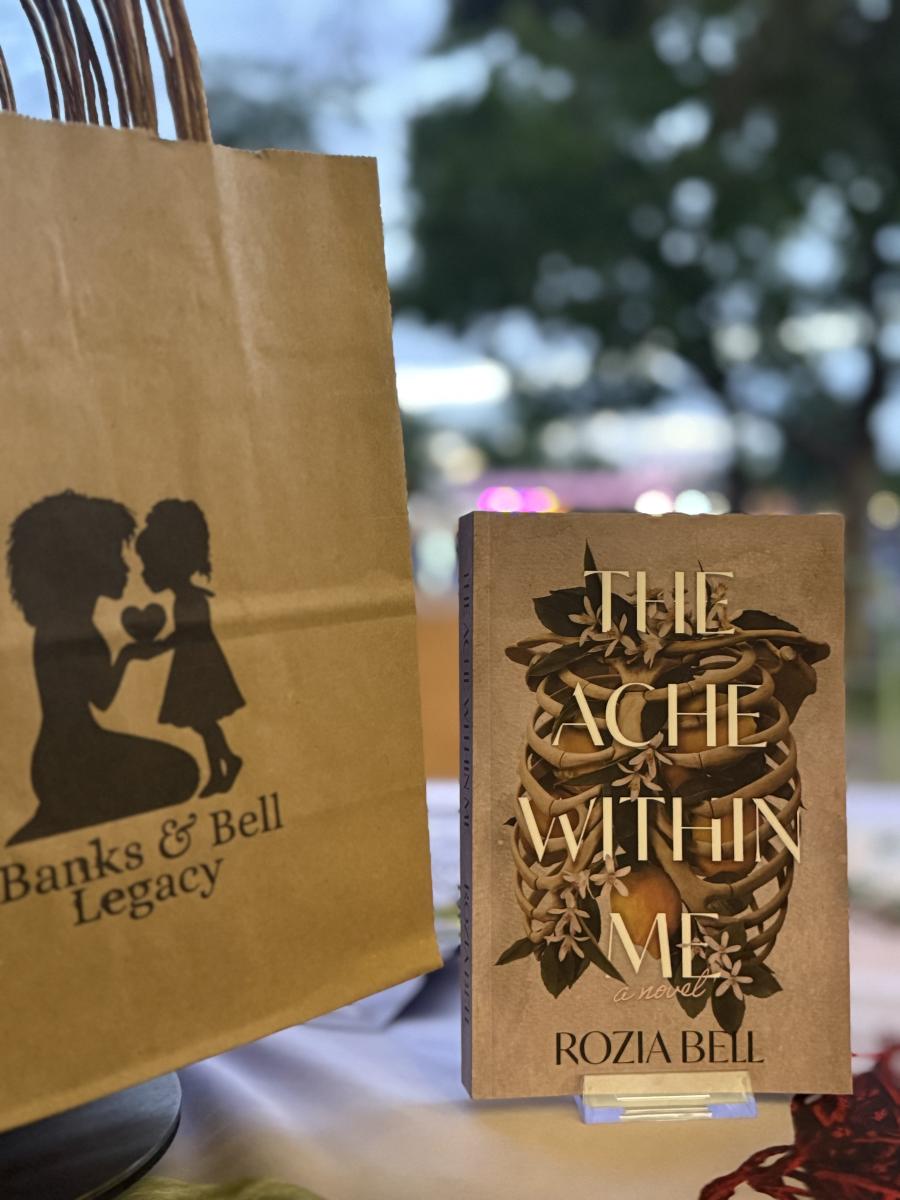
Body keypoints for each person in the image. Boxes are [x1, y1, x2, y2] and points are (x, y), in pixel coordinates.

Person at [6, 491, 200, 845]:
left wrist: (128, 654)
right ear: (83, 563)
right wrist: (128, 656)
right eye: (114, 554)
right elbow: (103, 698)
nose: (126, 568)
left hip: (58, 754)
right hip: (72, 755)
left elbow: (98, 697)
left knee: (179, 771)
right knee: (181, 772)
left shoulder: (62, 625)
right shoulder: (70, 629)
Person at [136, 499, 245, 798]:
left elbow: (191, 633)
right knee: (203, 722)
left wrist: (158, 646)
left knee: (203, 721)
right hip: (194, 664)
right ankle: (225, 764)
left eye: (149, 563)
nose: (145, 573)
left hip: (200, 667)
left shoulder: (190, 599)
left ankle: (223, 768)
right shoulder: (188, 597)